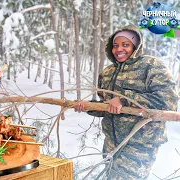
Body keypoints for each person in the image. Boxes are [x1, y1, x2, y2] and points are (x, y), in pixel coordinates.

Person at [74, 25, 178, 179]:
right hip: (111, 145)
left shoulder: (151, 66)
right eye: (115, 45)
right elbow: (107, 107)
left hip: (139, 146)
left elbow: (168, 101)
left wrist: (124, 98)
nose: (119, 50)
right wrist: (88, 106)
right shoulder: (107, 73)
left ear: (135, 46)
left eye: (125, 45)